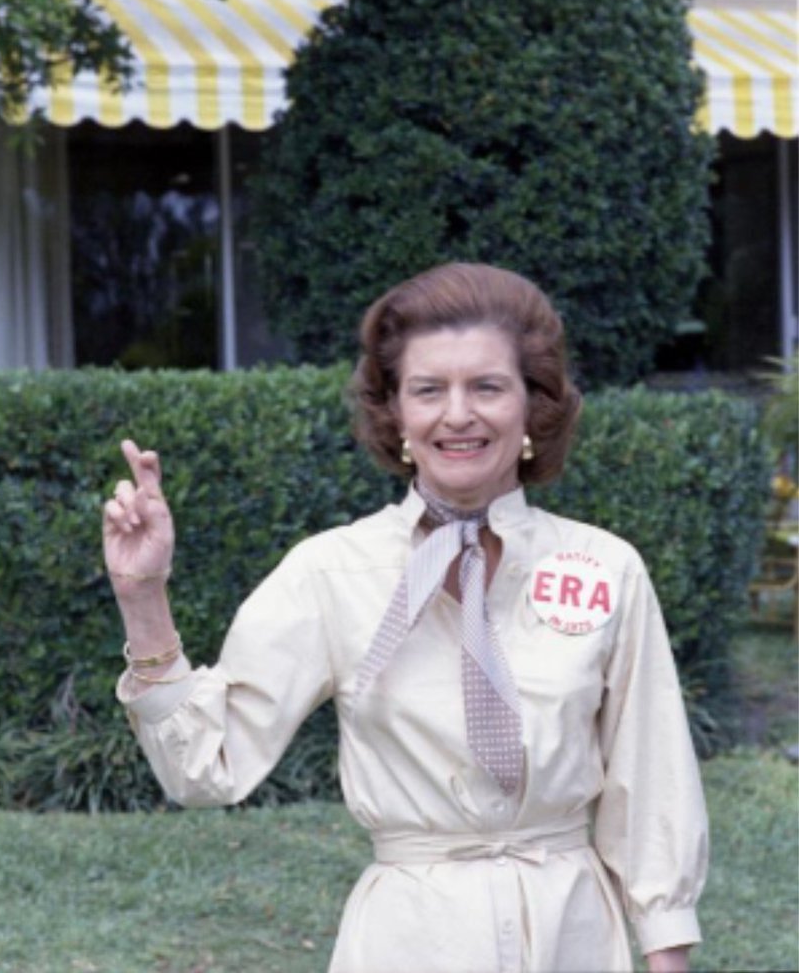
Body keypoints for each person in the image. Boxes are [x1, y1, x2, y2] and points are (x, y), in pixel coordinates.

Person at [104, 262, 708, 973]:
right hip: (409, 941)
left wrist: (666, 951)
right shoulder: (330, 574)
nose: (458, 414)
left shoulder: (605, 568)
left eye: (487, 386)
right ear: (396, 415)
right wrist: (143, 597)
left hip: (573, 935)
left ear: (532, 408)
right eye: (428, 390)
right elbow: (205, 768)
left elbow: (652, 772)